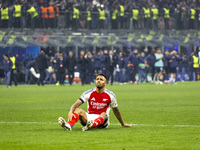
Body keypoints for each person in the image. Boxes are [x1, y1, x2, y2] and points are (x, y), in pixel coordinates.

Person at [58, 74, 131, 131]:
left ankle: (91, 125)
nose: (98, 81)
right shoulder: (89, 93)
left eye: (101, 79)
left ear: (105, 83)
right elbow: (75, 105)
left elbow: (116, 110)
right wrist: (70, 112)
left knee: (104, 114)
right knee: (77, 110)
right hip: (89, 118)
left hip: (102, 120)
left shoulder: (110, 95)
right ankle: (69, 126)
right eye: (97, 79)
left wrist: (123, 123)